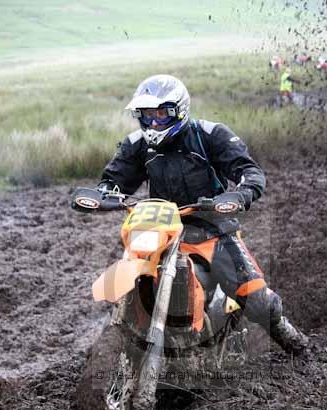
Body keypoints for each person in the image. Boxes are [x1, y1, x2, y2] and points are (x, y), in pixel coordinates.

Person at [97, 74, 308, 355]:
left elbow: (249, 171)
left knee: (256, 300)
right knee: (129, 269)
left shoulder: (209, 135)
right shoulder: (137, 144)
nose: (154, 122)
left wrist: (240, 194)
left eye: (161, 114)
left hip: (211, 229)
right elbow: (114, 180)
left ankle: (295, 343)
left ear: (179, 111)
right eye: (147, 115)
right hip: (161, 230)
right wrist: (102, 193)